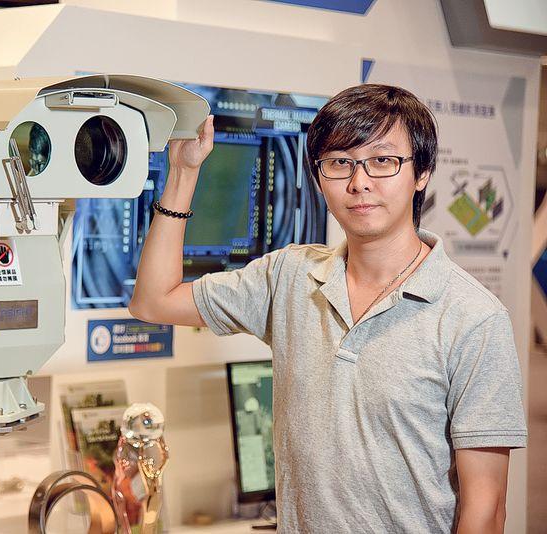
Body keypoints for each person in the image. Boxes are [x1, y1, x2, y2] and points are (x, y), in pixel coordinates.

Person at [129, 84, 527, 533]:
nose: (359, 182)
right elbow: (153, 301)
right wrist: (183, 174)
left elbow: (487, 508)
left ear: (422, 173)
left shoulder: (474, 317)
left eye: (383, 160)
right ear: (319, 179)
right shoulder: (290, 277)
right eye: (340, 163)